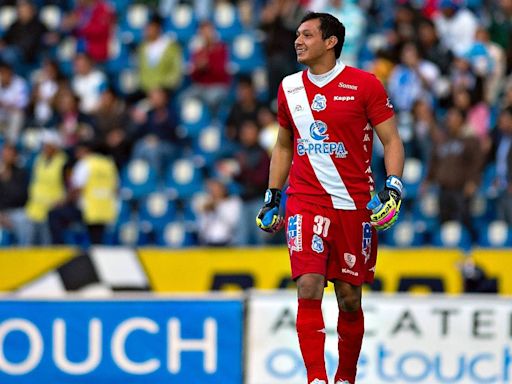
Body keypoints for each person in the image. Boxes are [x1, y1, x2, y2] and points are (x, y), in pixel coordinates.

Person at [256, 12, 404, 384]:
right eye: (297, 35)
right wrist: (273, 196)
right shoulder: (289, 87)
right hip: (305, 200)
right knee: (307, 284)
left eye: (307, 34)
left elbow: (392, 141)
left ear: (331, 41)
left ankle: (345, 378)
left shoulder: (364, 85)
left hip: (354, 204)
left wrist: (394, 187)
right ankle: (316, 379)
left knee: (349, 298)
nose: (298, 41)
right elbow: (284, 143)